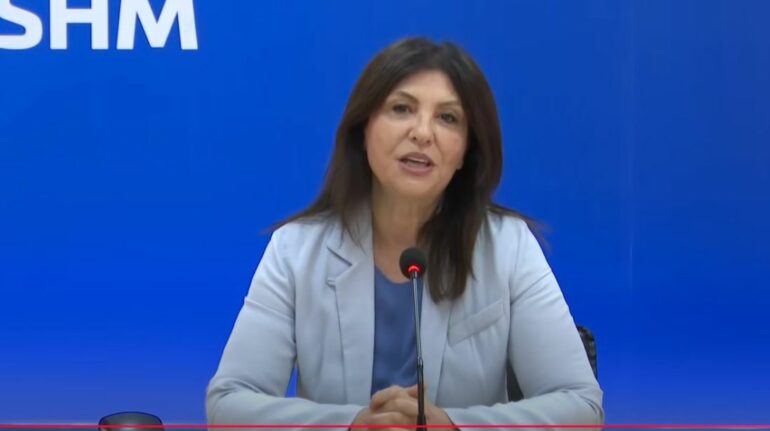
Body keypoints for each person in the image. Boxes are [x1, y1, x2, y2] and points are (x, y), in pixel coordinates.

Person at [206, 37, 603, 429]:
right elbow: (229, 405)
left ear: (466, 150)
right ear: (363, 129)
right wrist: (353, 425)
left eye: (448, 118)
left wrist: (453, 426)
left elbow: (581, 406)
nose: (423, 133)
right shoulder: (295, 250)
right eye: (402, 109)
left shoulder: (509, 248)